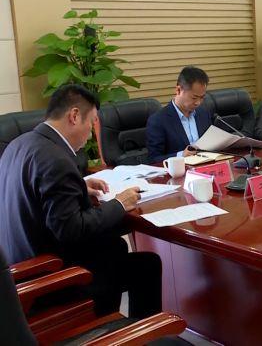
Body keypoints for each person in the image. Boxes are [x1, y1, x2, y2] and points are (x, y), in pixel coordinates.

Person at [0, 85, 161, 318]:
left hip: (19, 270)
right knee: (145, 265)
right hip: (50, 282)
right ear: (74, 116)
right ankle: (124, 331)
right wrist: (119, 203)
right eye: (91, 123)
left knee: (115, 246)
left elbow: (31, 193)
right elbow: (72, 230)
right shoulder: (56, 160)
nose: (90, 135)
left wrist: (79, 187)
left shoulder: (18, 144)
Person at [146, 66, 211, 163]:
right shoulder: (158, 120)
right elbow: (153, 160)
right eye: (194, 98)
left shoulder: (203, 113)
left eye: (202, 98)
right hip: (179, 170)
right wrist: (181, 155)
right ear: (178, 90)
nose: (198, 103)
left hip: (206, 166)